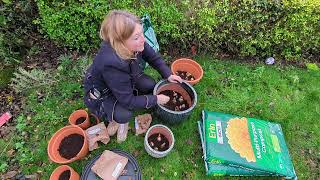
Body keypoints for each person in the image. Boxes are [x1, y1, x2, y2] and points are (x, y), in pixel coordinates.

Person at [83, 10, 182, 143]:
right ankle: (115, 120)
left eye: (141, 33)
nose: (143, 39)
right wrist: (156, 99)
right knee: (125, 114)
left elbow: (153, 57)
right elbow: (127, 101)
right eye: (136, 37)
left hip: (124, 79)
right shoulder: (112, 64)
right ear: (120, 42)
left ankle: (132, 97)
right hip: (105, 92)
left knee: (150, 84)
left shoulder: (135, 42)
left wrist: (168, 74)